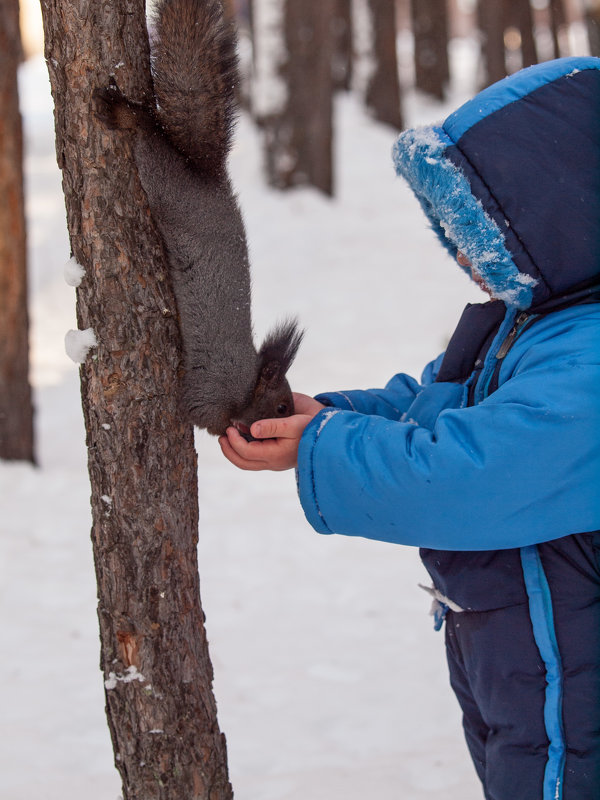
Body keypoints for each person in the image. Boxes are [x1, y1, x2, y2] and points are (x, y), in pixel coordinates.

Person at [219, 57, 600, 800]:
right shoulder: (533, 326)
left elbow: (477, 471)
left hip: (575, 682)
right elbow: (441, 407)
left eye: (484, 232)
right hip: (524, 658)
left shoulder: (590, 356)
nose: (464, 256)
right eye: (455, 233)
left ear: (566, 212)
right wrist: (330, 418)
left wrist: (326, 451)